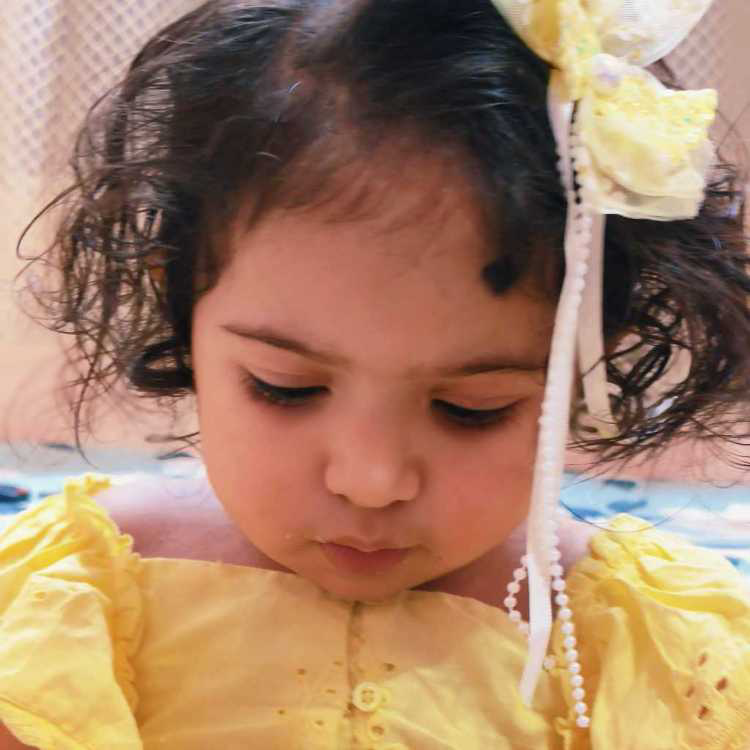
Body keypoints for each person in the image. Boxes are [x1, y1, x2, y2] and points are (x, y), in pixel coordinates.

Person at [2, 1, 750, 748]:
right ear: (180, 306)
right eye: (285, 387)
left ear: (586, 360)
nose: (371, 481)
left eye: (472, 407)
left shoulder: (644, 646)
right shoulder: (83, 589)